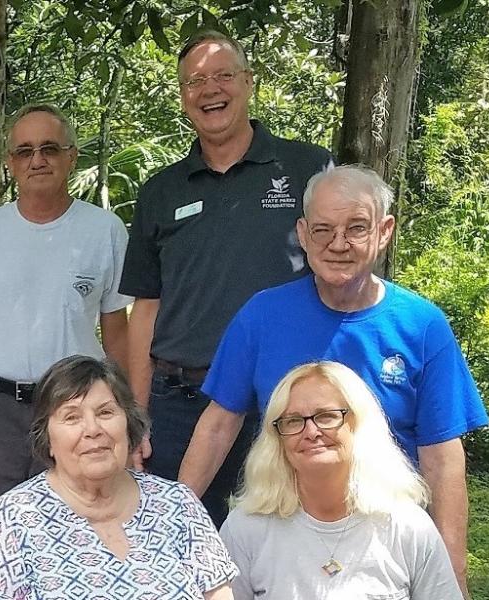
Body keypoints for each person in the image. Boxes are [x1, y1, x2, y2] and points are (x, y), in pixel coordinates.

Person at [180, 164, 488, 592]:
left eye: (356, 228)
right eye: (323, 230)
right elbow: (218, 424)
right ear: (303, 234)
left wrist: (452, 568)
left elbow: (442, 453)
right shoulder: (262, 315)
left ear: (384, 231)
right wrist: (174, 516)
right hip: (287, 523)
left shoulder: (421, 324)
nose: (338, 244)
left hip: (386, 534)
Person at [119, 31, 334, 525]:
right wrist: (137, 412)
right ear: (183, 96)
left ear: (249, 83)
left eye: (222, 76)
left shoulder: (307, 168)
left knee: (290, 544)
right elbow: (145, 307)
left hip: (284, 405)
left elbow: (339, 273)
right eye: (195, 81)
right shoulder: (161, 190)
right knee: (180, 541)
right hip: (179, 407)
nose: (209, 89)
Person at [0, 103, 132, 520]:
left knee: (76, 525)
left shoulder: (104, 231)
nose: (37, 160)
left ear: (71, 156)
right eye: (24, 151)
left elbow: (117, 333)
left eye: (49, 148)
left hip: (73, 406)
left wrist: (126, 419)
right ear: (10, 163)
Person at [0, 356, 236, 600]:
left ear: (128, 424)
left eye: (105, 412)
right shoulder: (18, 514)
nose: (93, 429)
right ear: (47, 439)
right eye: (72, 417)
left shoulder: (178, 504)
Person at [220, 362, 461, 599]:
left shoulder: (408, 527)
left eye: (326, 416)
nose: (311, 432)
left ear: (358, 425)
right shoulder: (245, 529)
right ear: (277, 439)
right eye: (293, 420)